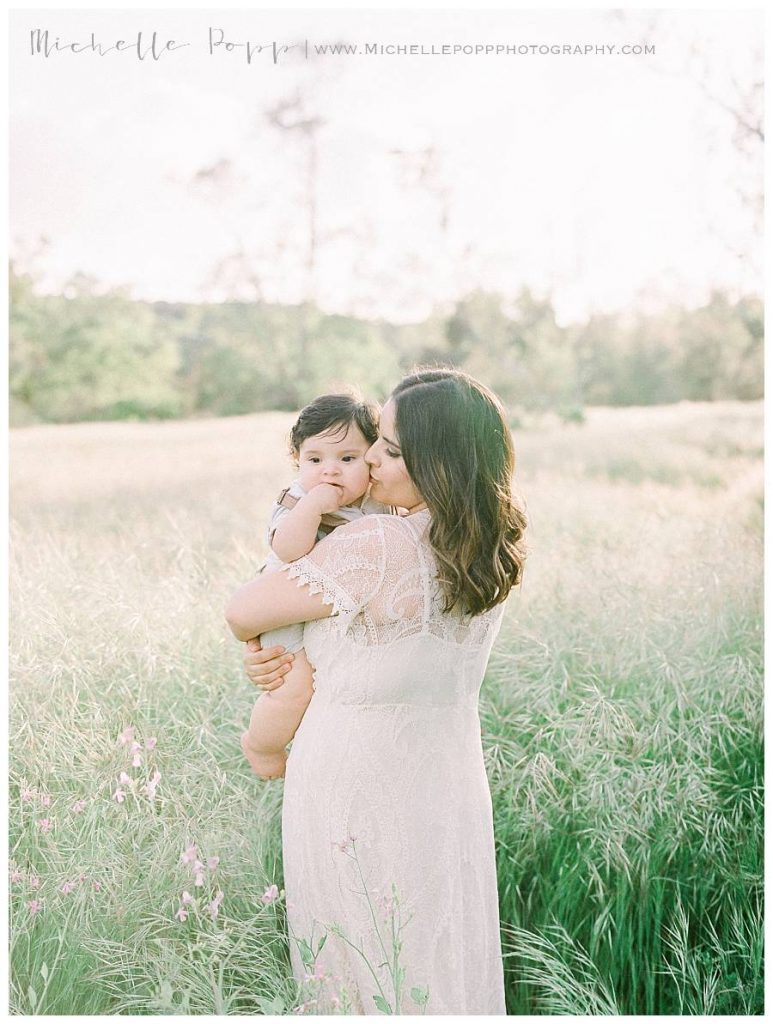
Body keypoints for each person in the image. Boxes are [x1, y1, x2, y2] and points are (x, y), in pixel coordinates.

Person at [226, 368, 527, 1015]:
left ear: (435, 463)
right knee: (437, 960)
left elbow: (245, 607)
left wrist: (258, 650)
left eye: (388, 449)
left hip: (355, 791)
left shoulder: (379, 543)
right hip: (446, 785)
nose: (368, 460)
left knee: (360, 969)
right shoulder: (491, 547)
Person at [240, 392, 385, 780]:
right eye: (315, 460)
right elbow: (288, 550)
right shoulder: (297, 499)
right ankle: (263, 745)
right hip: (283, 601)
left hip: (331, 604)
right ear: (297, 461)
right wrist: (312, 508)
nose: (330, 472)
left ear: (372, 458)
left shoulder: (377, 500)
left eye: (347, 459)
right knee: (294, 688)